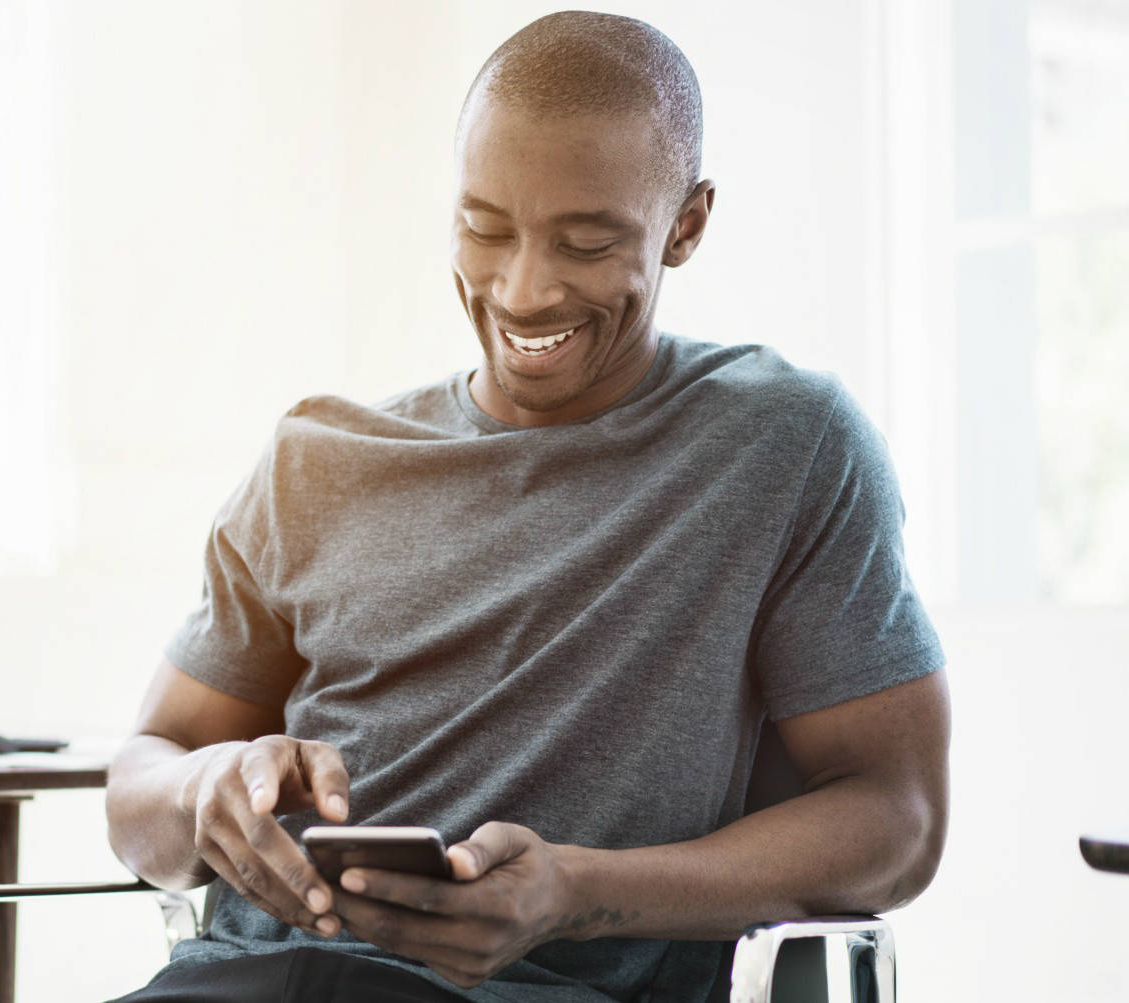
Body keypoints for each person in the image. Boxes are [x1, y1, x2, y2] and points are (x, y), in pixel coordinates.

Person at [103, 11, 950, 1003]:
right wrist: (204, 791)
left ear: (687, 223)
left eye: (587, 243)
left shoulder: (785, 447)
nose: (523, 289)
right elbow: (139, 783)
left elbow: (898, 820)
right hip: (238, 981)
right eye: (485, 229)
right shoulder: (314, 460)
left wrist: (579, 893)